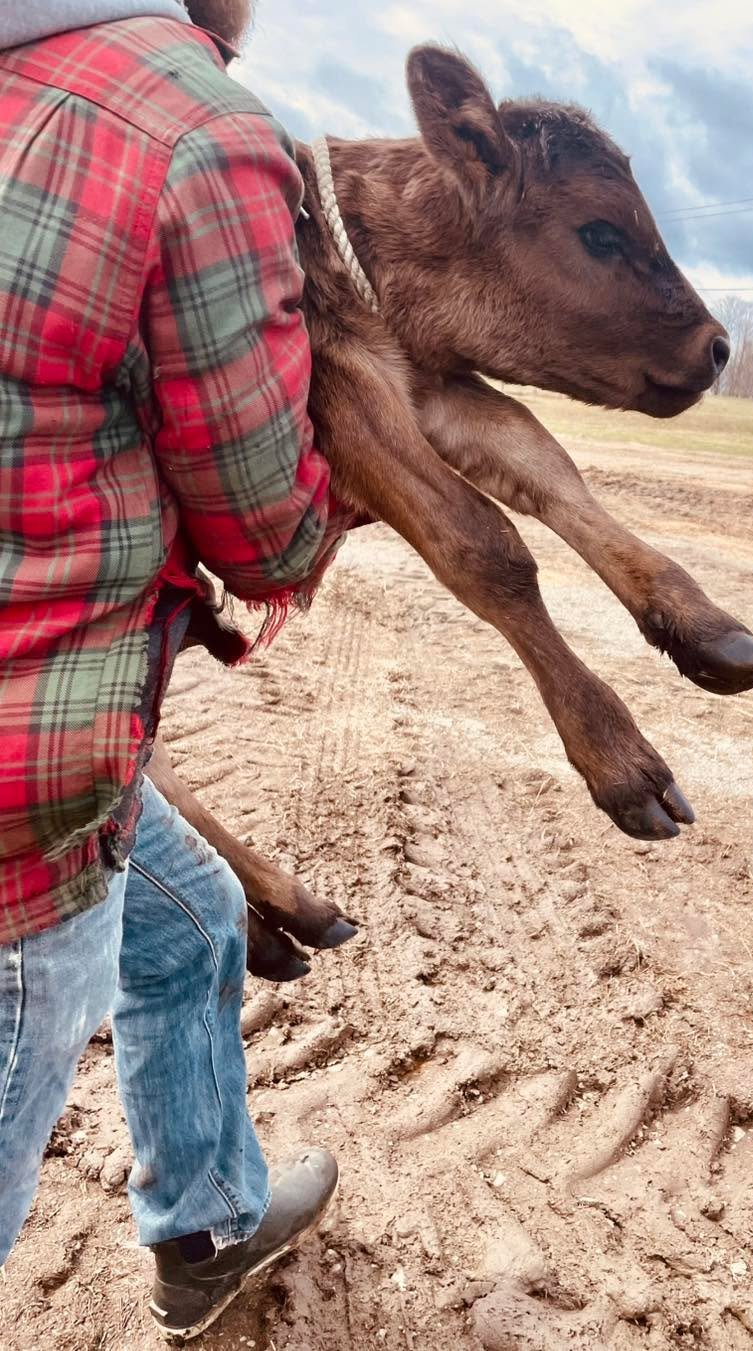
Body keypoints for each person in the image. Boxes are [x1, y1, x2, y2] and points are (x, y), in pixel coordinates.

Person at [0, 1, 353, 1338]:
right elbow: (264, 528)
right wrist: (356, 488)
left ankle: (203, 1224)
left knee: (190, 916)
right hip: (20, 781)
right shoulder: (183, 122)